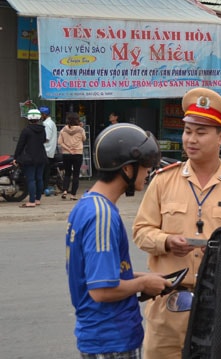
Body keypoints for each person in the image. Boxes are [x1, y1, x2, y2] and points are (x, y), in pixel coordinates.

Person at [133, 87, 221, 359]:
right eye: (188, 131)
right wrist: (166, 242)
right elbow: (141, 232)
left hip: (215, 307)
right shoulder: (163, 180)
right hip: (166, 304)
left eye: (201, 132)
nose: (191, 139)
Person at [65, 123, 171, 358]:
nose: (147, 174)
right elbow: (101, 290)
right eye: (144, 168)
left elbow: (98, 275)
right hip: (110, 339)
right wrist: (143, 285)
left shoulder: (86, 205)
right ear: (127, 168)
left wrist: (146, 277)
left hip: (103, 337)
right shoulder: (101, 215)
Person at [13, 109, 48, 207]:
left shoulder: (26, 130)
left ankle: (31, 201)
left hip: (29, 158)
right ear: (38, 118)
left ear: (28, 118)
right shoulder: (42, 129)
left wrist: (16, 157)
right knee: (39, 178)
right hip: (41, 156)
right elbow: (44, 140)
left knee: (31, 179)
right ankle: (37, 200)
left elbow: (20, 145)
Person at [58, 112, 86, 200]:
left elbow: (60, 142)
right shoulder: (81, 130)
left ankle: (65, 191)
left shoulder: (63, 130)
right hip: (78, 153)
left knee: (67, 173)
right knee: (76, 174)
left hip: (66, 154)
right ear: (77, 120)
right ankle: (73, 194)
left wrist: (68, 149)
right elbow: (84, 139)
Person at [40, 106, 58, 191]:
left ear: (44, 114)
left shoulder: (47, 124)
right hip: (49, 150)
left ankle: (43, 188)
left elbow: (46, 138)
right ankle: (44, 187)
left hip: (46, 151)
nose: (40, 116)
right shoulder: (51, 123)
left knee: (44, 171)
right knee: (46, 171)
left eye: (41, 114)